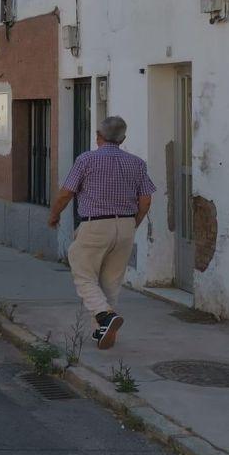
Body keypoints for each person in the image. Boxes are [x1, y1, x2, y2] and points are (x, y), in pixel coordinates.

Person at [48, 116, 154, 350]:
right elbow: (145, 201)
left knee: (83, 273)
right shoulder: (137, 163)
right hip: (126, 225)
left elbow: (66, 193)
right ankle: (104, 329)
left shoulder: (86, 159)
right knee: (111, 280)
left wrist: (54, 215)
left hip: (95, 224)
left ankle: (105, 317)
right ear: (123, 139)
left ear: (98, 136)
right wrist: (132, 225)